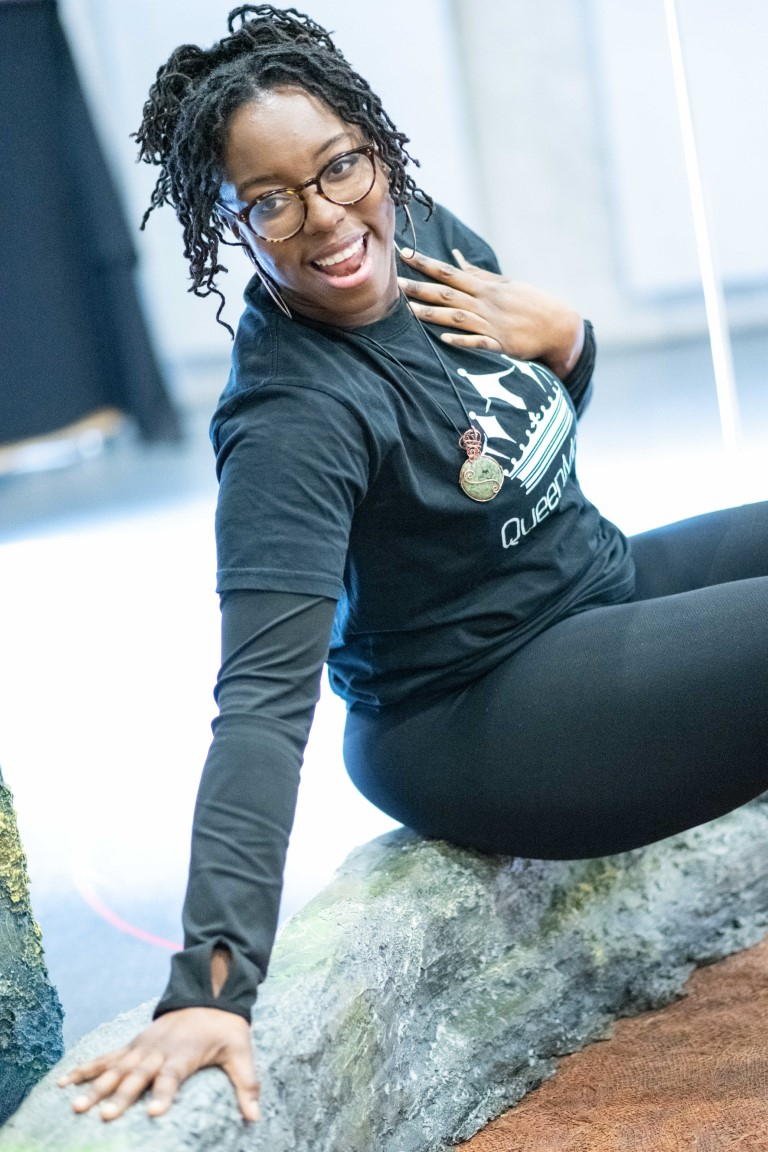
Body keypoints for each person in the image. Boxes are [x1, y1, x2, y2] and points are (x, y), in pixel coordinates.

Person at [58, 3, 768, 1125]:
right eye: (271, 203)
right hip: (481, 710)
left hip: (593, 585)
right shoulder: (292, 423)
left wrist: (573, 341)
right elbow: (258, 707)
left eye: (340, 168)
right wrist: (212, 982)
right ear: (228, 229)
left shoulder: (419, 235)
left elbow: (509, 442)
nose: (326, 219)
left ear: (376, 148)